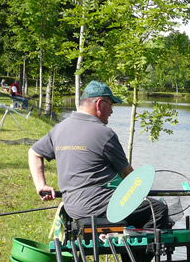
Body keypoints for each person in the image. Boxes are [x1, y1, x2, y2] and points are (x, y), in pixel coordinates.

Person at [28, 80, 170, 230]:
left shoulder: (59, 128)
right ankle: (136, 254)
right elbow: (128, 174)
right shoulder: (104, 134)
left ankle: (131, 249)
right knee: (158, 209)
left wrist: (41, 185)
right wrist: (142, 191)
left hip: (71, 205)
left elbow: (34, 153)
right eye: (111, 105)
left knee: (139, 211)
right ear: (99, 104)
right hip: (97, 206)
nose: (112, 111)